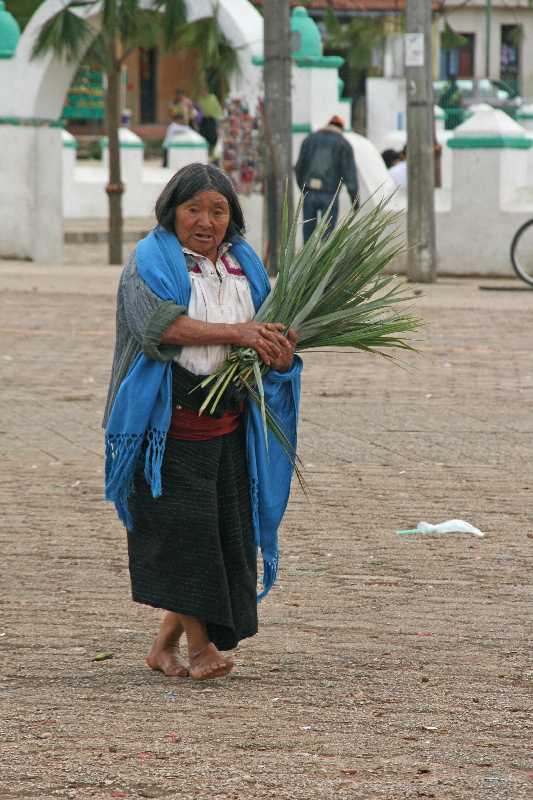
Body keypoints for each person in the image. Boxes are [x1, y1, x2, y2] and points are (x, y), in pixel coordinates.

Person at [103, 163, 302, 681]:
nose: (205, 220)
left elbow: (265, 331)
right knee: (186, 535)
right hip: (164, 425)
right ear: (172, 212)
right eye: (193, 209)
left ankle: (161, 649)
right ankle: (199, 651)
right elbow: (159, 327)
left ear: (232, 216)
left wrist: (279, 356)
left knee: (219, 535)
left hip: (229, 423)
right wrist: (240, 332)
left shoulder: (245, 266)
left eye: (218, 210)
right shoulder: (152, 261)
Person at [295, 115, 358, 242]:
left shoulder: (309, 139)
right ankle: (323, 261)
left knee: (308, 236)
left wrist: (302, 187)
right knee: (326, 236)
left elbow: (299, 167)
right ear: (341, 128)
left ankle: (308, 262)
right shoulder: (344, 144)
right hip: (330, 194)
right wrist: (355, 199)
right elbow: (350, 173)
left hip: (309, 192)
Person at [197, 86, 224, 159]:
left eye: (204, 91)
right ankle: (205, 153)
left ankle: (212, 153)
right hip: (204, 121)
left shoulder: (212, 98)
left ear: (207, 91)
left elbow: (217, 109)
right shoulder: (200, 100)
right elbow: (199, 111)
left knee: (213, 136)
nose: (203, 92)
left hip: (212, 120)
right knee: (203, 136)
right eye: (201, 91)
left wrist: (220, 120)